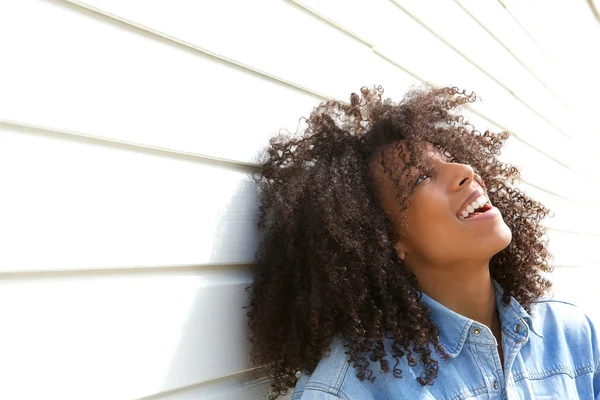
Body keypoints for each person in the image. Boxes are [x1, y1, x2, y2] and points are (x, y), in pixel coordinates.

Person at [245, 86, 600, 399]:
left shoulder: (568, 334)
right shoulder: (349, 388)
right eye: (419, 179)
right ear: (384, 238)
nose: (465, 172)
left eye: (449, 159)